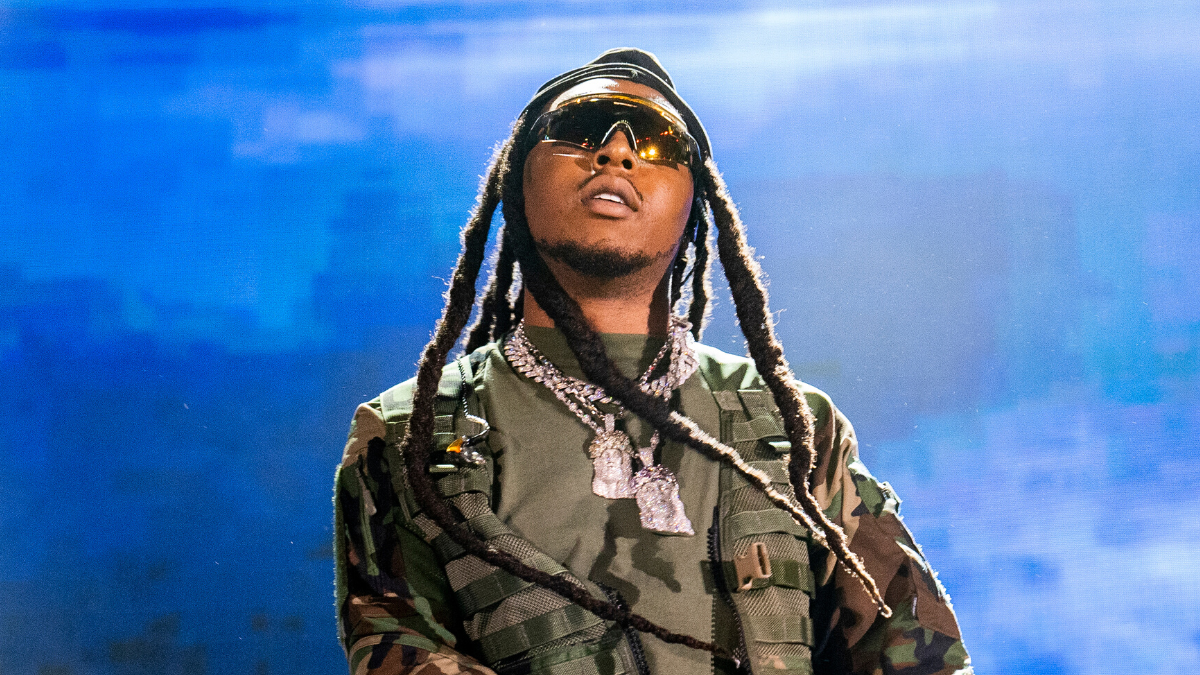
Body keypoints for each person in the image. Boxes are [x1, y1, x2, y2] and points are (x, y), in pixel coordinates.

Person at [333, 48, 972, 675]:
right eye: (580, 128)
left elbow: (919, 656)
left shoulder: (796, 428)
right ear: (515, 181)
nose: (616, 151)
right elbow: (397, 650)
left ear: (696, 204)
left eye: (659, 141)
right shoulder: (408, 436)